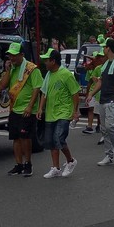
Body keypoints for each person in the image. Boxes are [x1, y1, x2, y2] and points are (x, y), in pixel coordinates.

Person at [0, 42, 43, 177]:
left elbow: (37, 88)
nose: (11, 58)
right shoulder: (12, 68)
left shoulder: (32, 69)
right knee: (16, 138)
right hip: (14, 108)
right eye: (10, 56)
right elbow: (3, 86)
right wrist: (7, 70)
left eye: (14, 56)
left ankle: (28, 163)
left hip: (26, 110)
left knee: (25, 137)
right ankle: (18, 165)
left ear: (22, 55)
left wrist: (30, 106)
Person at [86, 38, 114, 167]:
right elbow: (100, 81)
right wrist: (91, 94)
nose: (103, 49)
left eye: (104, 47)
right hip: (103, 99)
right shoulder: (105, 65)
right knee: (104, 129)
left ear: (109, 48)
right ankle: (109, 155)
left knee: (111, 126)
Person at [37, 48, 80, 178]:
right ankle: (55, 168)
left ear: (53, 61)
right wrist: (40, 108)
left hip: (63, 112)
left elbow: (75, 92)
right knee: (50, 141)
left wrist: (74, 111)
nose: (45, 63)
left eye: (46, 60)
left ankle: (71, 161)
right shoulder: (49, 75)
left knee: (59, 139)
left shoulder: (66, 74)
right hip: (51, 113)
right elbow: (44, 93)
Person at [83, 49, 105, 135]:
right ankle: (89, 126)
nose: (98, 59)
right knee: (91, 109)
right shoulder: (95, 68)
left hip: (103, 93)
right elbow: (90, 82)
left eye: (100, 57)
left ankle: (100, 126)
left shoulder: (109, 67)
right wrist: (88, 94)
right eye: (98, 57)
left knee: (100, 112)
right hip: (94, 92)